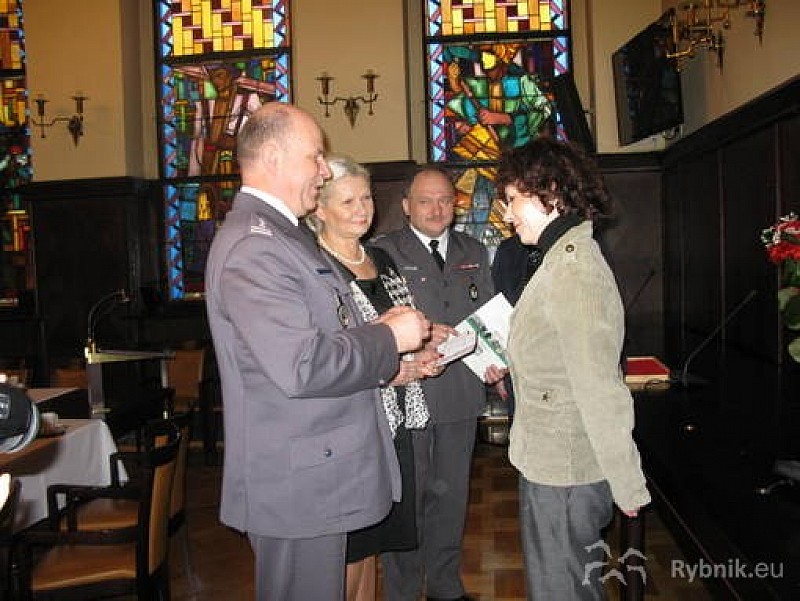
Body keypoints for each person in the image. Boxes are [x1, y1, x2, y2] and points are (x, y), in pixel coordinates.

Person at [204, 102, 431, 601]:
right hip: (299, 485)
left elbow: (325, 336)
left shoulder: (283, 236)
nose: (324, 170)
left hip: (320, 473)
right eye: (315, 157)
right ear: (273, 158)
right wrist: (389, 339)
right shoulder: (255, 247)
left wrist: (380, 330)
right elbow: (302, 365)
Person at [495, 137, 651, 600]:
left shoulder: (574, 269)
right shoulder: (557, 259)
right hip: (550, 462)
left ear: (550, 193)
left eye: (512, 199)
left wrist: (627, 483)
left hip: (566, 471)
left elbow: (600, 387)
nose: (507, 214)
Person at [309, 155, 444, 601]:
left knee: (377, 540)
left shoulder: (381, 258)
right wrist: (389, 373)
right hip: (353, 424)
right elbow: (329, 358)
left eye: (365, 198)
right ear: (319, 208)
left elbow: (401, 328)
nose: (361, 209)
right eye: (347, 201)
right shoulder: (317, 268)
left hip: (396, 422)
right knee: (352, 548)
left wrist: (422, 352)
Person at [373, 166, 495, 601]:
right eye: (425, 201)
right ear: (407, 205)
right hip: (409, 394)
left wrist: (495, 362)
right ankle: (404, 591)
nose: (436, 209)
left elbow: (488, 317)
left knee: (451, 498)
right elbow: (374, 325)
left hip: (461, 392)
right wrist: (420, 339)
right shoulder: (382, 252)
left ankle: (445, 586)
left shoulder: (473, 250)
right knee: (408, 500)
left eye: (445, 200)